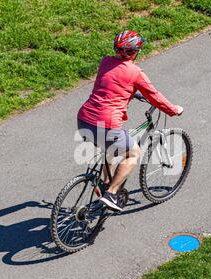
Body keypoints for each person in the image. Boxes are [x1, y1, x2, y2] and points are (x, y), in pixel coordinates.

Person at [77, 30, 183, 211]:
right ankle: (111, 193)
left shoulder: (105, 62)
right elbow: (154, 96)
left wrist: (129, 94)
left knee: (109, 150)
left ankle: (104, 185)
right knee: (133, 153)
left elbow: (109, 85)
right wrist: (173, 110)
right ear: (136, 51)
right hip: (107, 123)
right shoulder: (135, 73)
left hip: (84, 119)